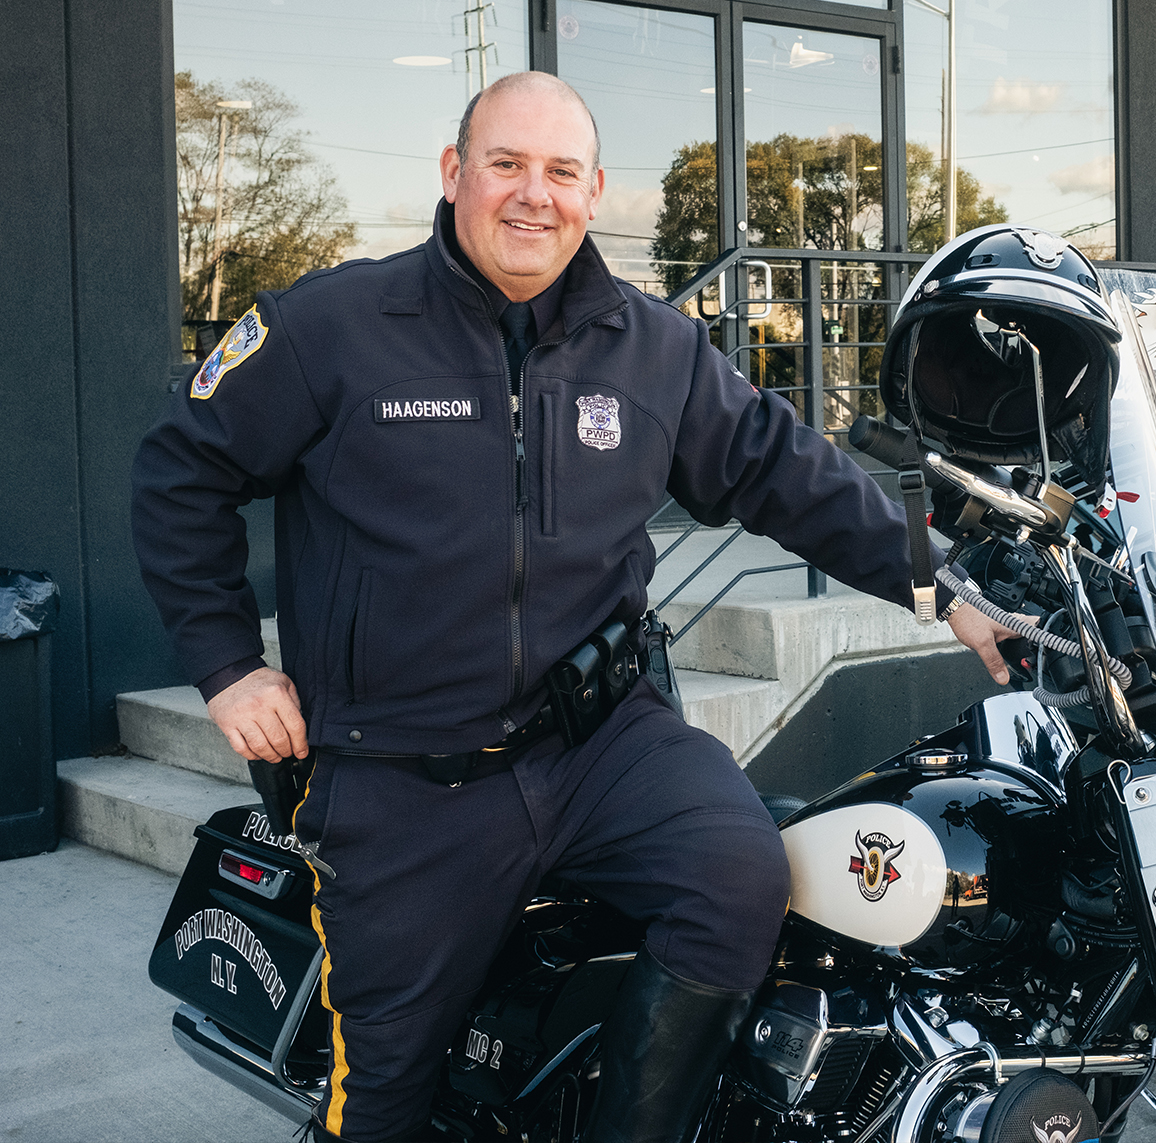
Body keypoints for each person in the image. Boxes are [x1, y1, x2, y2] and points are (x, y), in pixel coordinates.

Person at [132, 72, 1017, 1143]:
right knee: (384, 1094)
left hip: (604, 743)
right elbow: (182, 470)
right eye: (505, 164)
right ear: (454, 174)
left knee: (740, 877)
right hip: (406, 771)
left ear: (595, 191)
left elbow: (790, 474)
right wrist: (228, 663)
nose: (531, 195)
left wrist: (943, 585)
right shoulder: (333, 327)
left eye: (559, 172)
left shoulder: (652, 346)